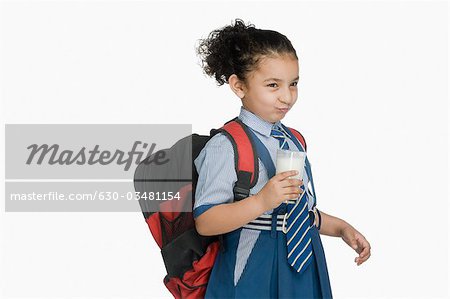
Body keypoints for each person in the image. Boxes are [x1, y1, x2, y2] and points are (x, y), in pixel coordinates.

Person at [193, 18, 371, 298]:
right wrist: (261, 200)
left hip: (305, 266)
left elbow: (296, 211)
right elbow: (206, 221)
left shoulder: (294, 139)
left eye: (294, 84)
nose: (287, 97)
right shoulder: (226, 145)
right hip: (253, 271)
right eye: (273, 85)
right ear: (239, 86)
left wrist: (340, 228)